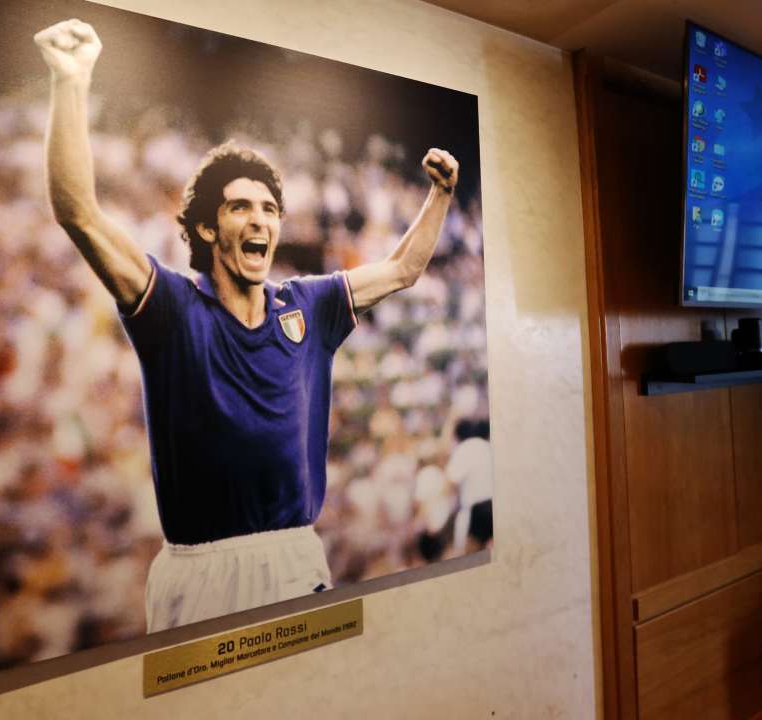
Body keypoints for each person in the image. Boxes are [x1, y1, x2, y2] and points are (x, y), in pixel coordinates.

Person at [34, 18, 459, 631]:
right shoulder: (172, 309)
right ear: (208, 228)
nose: (259, 220)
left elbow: (402, 269)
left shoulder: (307, 305)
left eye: (268, 209)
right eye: (240, 207)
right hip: (199, 571)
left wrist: (439, 196)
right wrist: (70, 82)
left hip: (294, 555)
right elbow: (79, 212)